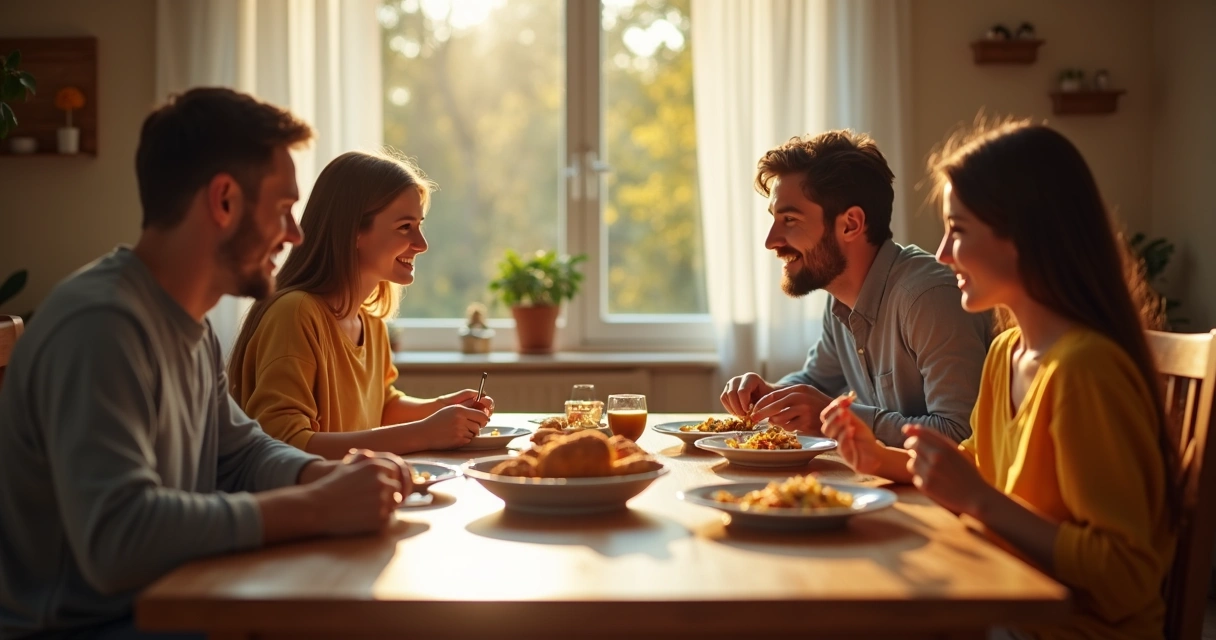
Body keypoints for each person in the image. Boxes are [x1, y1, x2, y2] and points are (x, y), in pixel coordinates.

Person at [0, 88, 412, 639]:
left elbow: (238, 453)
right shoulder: (101, 326)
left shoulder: (189, 325)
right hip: (92, 625)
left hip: (173, 597)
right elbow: (117, 539)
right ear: (223, 201)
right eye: (284, 210)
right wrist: (316, 506)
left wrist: (328, 475)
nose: (295, 235)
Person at [821, 122, 1177, 640]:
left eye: (958, 231)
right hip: (1003, 613)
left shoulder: (1084, 372)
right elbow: (980, 464)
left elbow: (1127, 578)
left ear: (1026, 236)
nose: (942, 253)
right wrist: (881, 458)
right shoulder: (1007, 352)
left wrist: (979, 501)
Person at [721, 130, 991, 445]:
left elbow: (961, 434)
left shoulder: (928, 298)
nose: (771, 241)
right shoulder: (840, 298)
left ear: (850, 224)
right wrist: (769, 393)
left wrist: (834, 418)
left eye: (790, 220)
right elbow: (816, 381)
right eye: (774, 220)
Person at [227, 151, 493, 459]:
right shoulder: (296, 314)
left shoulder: (371, 322)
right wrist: (424, 432)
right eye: (405, 226)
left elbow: (382, 407)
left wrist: (440, 408)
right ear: (353, 230)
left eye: (419, 224)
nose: (421, 244)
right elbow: (284, 445)